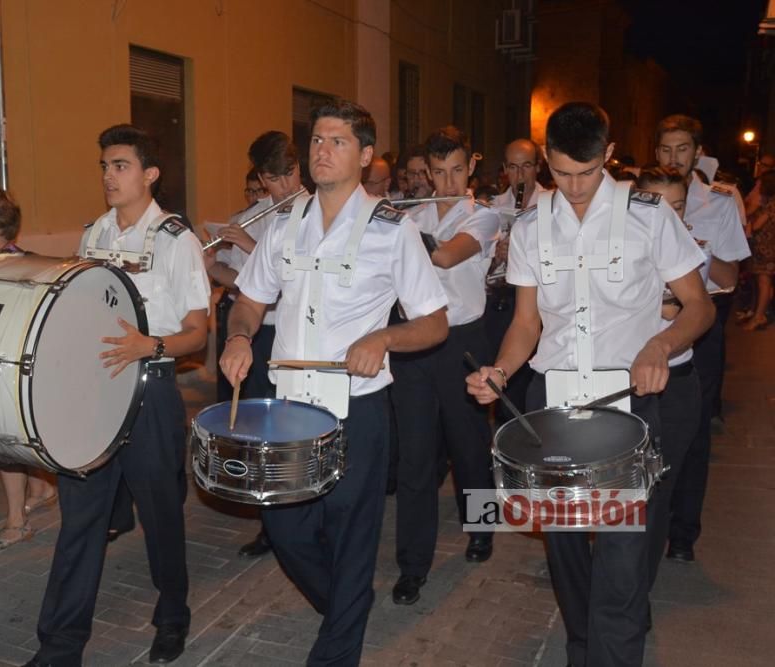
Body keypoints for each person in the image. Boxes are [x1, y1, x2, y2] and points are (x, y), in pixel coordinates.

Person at [467, 102, 713, 667]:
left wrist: (660, 344)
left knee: (623, 560)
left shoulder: (649, 217)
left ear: (608, 155)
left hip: (627, 413)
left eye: (586, 172)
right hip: (551, 409)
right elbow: (526, 323)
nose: (574, 188)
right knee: (566, 550)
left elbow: (699, 307)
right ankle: (583, 648)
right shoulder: (530, 226)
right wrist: (500, 371)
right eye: (560, 173)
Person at [221, 99, 449, 666]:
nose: (322, 150)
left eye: (337, 141)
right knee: (285, 526)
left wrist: (384, 340)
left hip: (357, 408)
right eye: (317, 141)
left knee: (352, 532)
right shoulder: (282, 226)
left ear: (366, 155)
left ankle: (337, 648)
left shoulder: (395, 231)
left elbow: (434, 321)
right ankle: (347, 603)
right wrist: (239, 337)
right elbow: (250, 301)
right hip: (289, 405)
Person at [22, 124, 210, 666]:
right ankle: (59, 646)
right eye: (104, 166)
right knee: (81, 518)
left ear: (150, 174)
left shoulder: (177, 240)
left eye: (121, 165)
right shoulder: (94, 234)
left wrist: (147, 345)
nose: (108, 175)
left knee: (160, 515)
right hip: (92, 393)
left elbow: (198, 333)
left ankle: (172, 614)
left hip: (149, 393)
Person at [391, 125, 499, 609]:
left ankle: (484, 525)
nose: (449, 181)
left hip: (464, 341)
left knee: (470, 444)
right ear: (426, 172)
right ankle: (412, 566)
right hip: (416, 341)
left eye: (457, 169)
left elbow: (447, 255)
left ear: (471, 165)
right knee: (414, 458)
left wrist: (396, 227)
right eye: (439, 172)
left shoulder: (484, 216)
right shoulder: (408, 211)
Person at [654, 114, 751, 562]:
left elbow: (731, 278)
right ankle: (645, 517)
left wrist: (696, 253)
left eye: (682, 149)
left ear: (697, 152)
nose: (674, 158)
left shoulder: (721, 201)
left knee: (692, 432)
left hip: (701, 324)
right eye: (665, 149)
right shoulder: (642, 196)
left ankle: (683, 533)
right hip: (650, 322)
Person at [208, 130, 305, 559]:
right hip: (257, 334)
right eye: (271, 179)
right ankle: (272, 525)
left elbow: (292, 287)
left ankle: (302, 517)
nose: (280, 188)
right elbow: (244, 287)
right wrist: (209, 265)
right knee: (260, 430)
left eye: (287, 175)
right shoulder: (255, 214)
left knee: (297, 430)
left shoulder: (316, 212)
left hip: (295, 336)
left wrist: (251, 246)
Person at [0, 187, 59, 551]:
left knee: (5, 444)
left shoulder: (13, 266)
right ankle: (42, 487)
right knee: (1, 446)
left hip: (9, 368)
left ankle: (17, 522)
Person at [634, 166, 708, 588]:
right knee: (622, 497)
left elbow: (694, 309)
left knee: (657, 495)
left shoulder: (691, 254)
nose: (668, 219)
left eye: (677, 208)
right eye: (656, 207)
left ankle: (635, 593)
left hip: (676, 385)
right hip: (626, 386)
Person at [485, 139, 548, 419]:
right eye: (513, 167)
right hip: (502, 301)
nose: (520, 176)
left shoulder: (551, 206)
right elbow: (475, 269)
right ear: (504, 170)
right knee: (506, 383)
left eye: (526, 166)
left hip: (538, 304)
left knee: (531, 381)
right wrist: (496, 256)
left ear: (538, 167)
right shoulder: (492, 207)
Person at [743, 170, 775, 330]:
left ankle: (759, 316)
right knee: (765, 284)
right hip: (767, 249)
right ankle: (761, 313)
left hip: (767, 250)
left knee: (764, 282)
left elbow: (757, 226)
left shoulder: (771, 204)